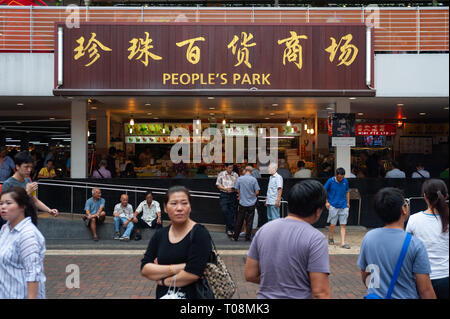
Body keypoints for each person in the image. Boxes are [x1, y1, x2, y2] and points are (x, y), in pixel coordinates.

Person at [245, 180, 331, 299]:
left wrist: (277, 285)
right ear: (318, 210)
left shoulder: (264, 230)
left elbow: (250, 274)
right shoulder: (315, 239)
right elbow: (320, 292)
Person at [357, 187, 436, 299]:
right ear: (403, 209)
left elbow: (365, 275)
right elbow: (425, 290)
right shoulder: (415, 244)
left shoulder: (369, 238)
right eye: (406, 202)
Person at [140, 186, 213, 299]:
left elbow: (193, 273)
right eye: (173, 203)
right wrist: (178, 267)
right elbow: (145, 268)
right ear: (165, 208)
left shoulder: (199, 233)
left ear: (190, 207)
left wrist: (163, 281)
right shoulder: (160, 235)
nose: (179, 208)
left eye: (184, 203)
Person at [406, 179, 449, 299]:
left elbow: (409, 248)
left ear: (424, 197)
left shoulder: (414, 219)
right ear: (445, 196)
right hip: (446, 276)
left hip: (421, 279)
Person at [0, 187, 46, 299]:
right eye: (1, 203)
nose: (3, 207)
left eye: (8, 203)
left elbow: (33, 273)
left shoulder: (28, 235)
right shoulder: (5, 228)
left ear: (22, 206)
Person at [1, 151, 58, 219]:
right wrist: (27, 192)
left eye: (31, 167)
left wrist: (49, 210)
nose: (29, 170)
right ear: (17, 166)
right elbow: (7, 208)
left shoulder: (28, 180)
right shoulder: (8, 184)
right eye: (26, 167)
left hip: (28, 219)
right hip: (14, 222)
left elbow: (35, 200)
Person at [231, 166, 260, 242]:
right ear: (251, 171)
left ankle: (235, 237)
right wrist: (251, 196)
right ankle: (247, 237)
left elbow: (236, 189)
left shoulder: (240, 179)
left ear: (245, 170)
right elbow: (257, 192)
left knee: (239, 220)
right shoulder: (254, 179)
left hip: (242, 203)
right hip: (251, 203)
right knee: (249, 221)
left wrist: (241, 194)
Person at [324, 167, 351, 249]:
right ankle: (331, 236)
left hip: (343, 205)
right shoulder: (330, 181)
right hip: (333, 205)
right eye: (339, 177)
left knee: (343, 225)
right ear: (336, 175)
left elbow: (347, 192)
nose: (341, 179)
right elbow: (324, 191)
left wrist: (348, 202)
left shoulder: (345, 181)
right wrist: (326, 202)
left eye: (342, 177)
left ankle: (343, 243)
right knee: (333, 224)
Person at [216, 163, 239, 237]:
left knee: (232, 212)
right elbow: (218, 184)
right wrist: (225, 188)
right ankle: (232, 227)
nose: (230, 169)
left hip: (233, 195)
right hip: (224, 194)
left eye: (232, 168)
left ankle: (229, 230)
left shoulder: (235, 175)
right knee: (225, 210)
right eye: (229, 168)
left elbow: (238, 185)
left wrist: (235, 189)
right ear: (225, 167)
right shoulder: (221, 174)